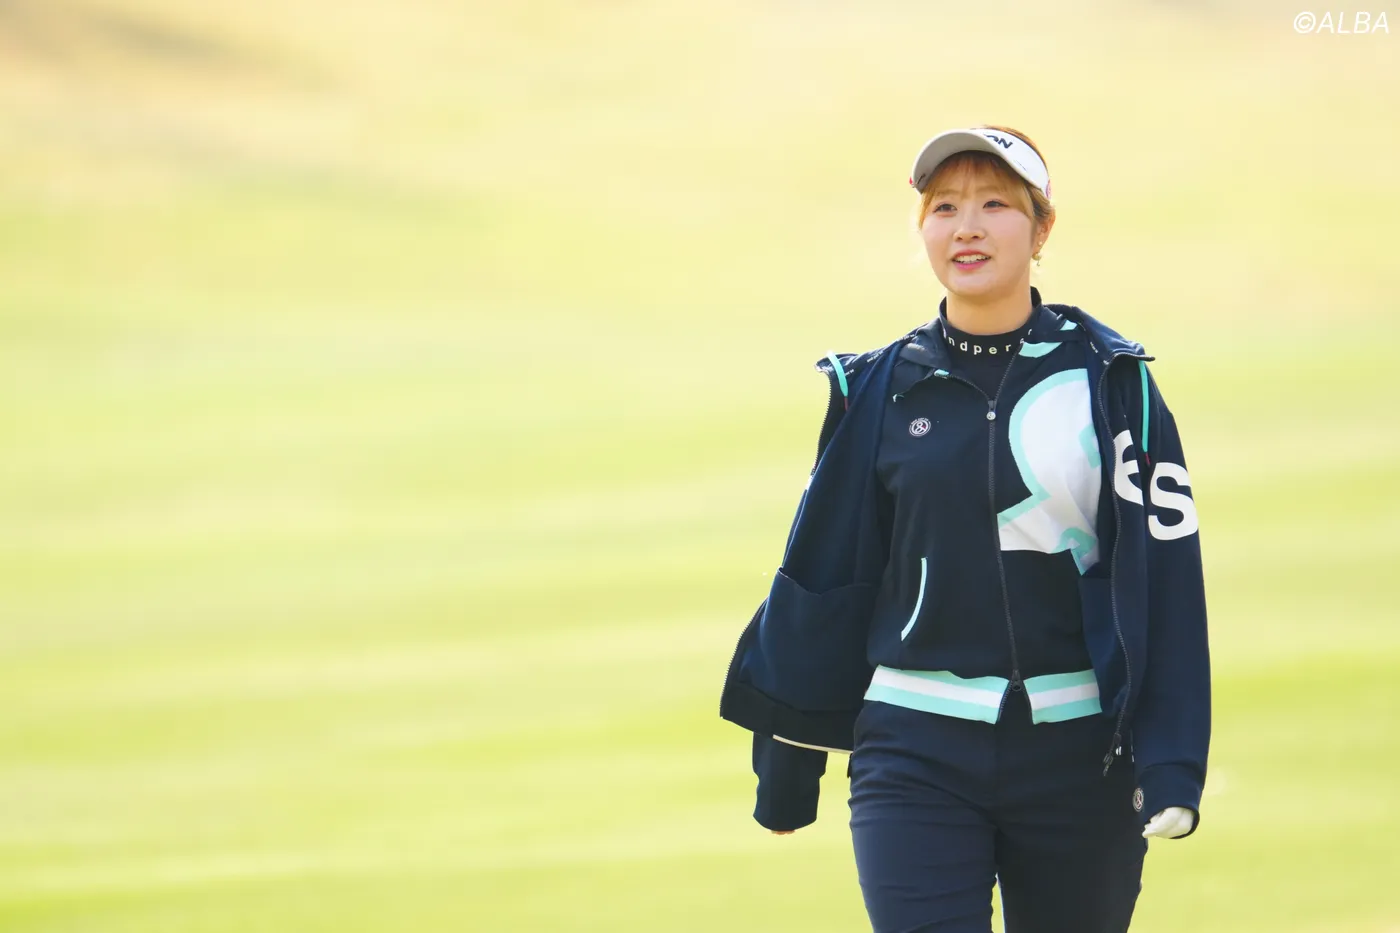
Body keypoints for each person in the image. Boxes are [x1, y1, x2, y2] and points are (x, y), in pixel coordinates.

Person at [718, 125, 1211, 932]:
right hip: (913, 750)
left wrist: (1172, 763)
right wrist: (787, 768)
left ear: (1041, 229)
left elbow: (1165, 577)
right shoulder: (879, 387)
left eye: (994, 205)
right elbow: (821, 574)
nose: (966, 227)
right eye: (944, 207)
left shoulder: (1111, 381)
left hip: (1080, 760)